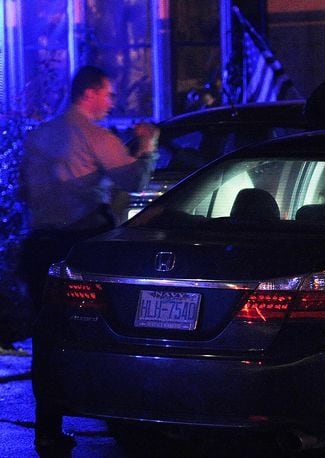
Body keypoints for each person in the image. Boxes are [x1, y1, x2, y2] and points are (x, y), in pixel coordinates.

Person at [19, 65, 159, 453]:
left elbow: (24, 191)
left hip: (40, 246)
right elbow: (135, 182)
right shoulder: (95, 135)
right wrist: (147, 145)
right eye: (108, 94)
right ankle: (122, 423)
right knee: (105, 330)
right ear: (90, 93)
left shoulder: (40, 135)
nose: (111, 101)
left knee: (46, 341)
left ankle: (47, 429)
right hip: (81, 245)